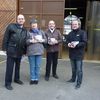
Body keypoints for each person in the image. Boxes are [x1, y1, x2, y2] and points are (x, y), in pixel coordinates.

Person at [2, 14, 27, 90]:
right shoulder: (11, 26)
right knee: (10, 68)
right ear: (17, 20)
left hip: (20, 51)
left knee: (17, 67)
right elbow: (6, 37)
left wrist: (24, 51)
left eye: (22, 19)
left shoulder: (25, 30)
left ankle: (16, 79)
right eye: (19, 18)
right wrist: (4, 48)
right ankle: (7, 83)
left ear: (24, 20)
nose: (21, 20)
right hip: (11, 50)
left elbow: (24, 41)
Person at [66, 19, 87, 89]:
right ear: (71, 26)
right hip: (72, 54)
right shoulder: (70, 33)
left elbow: (84, 42)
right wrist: (68, 44)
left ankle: (79, 82)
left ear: (78, 25)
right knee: (73, 68)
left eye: (75, 24)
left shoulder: (82, 33)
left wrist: (76, 45)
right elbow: (67, 41)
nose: (74, 25)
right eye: (73, 24)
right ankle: (73, 79)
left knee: (79, 69)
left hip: (79, 55)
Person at [26, 18, 47, 85]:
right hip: (31, 52)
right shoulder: (28, 33)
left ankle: (36, 78)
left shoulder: (41, 32)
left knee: (37, 66)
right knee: (32, 66)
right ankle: (32, 78)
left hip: (39, 51)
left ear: (37, 24)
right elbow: (25, 41)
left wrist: (42, 40)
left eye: (35, 23)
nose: (33, 25)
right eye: (32, 24)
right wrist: (30, 41)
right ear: (30, 25)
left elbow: (46, 40)